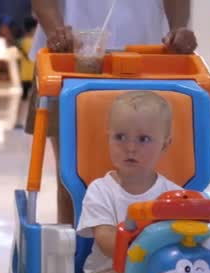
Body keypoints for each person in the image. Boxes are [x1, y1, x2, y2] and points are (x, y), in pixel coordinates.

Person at [27, 0, 197, 224]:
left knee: (150, 170)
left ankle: (146, 244)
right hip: (70, 57)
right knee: (72, 177)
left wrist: (178, 29)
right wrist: (56, 31)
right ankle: (77, 250)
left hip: (147, 57)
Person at [73, 91, 182, 273]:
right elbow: (105, 239)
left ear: (165, 144)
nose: (130, 147)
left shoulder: (175, 196)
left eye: (144, 139)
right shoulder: (101, 190)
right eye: (120, 137)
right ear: (108, 138)